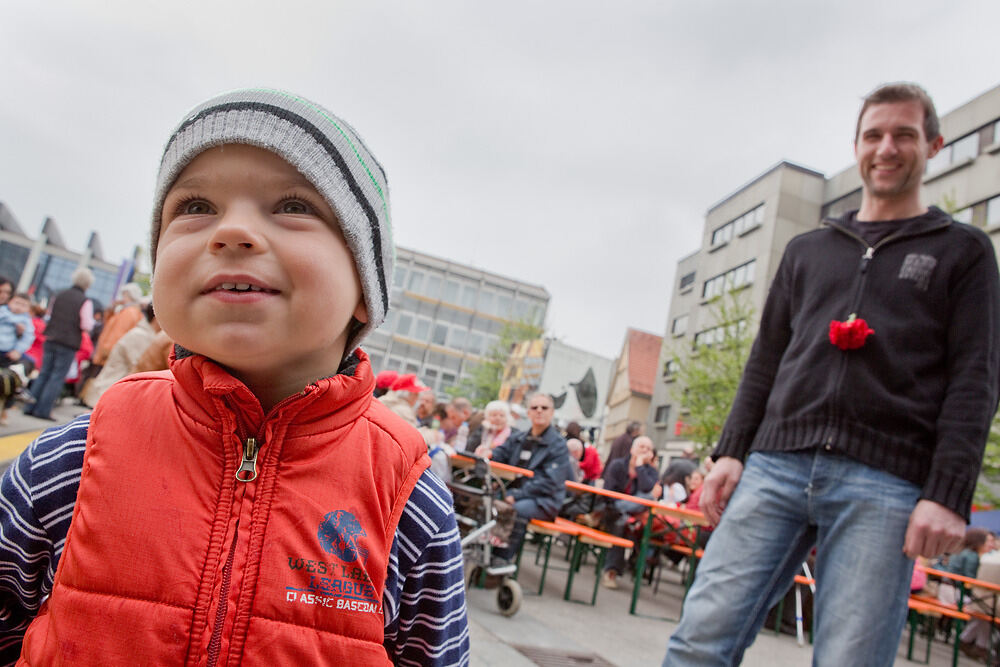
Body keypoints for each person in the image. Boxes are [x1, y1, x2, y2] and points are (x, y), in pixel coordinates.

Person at [0, 89, 469, 665]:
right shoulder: (78, 450)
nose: (232, 232)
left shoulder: (407, 494)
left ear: (366, 294)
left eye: (294, 206)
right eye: (196, 206)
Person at [665, 82, 1000, 666]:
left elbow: (977, 380)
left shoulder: (964, 252)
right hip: (774, 467)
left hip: (886, 481)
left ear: (935, 145)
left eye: (904, 134)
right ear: (857, 146)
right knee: (699, 640)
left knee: (850, 660)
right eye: (874, 135)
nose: (887, 147)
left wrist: (947, 494)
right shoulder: (807, 250)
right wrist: (731, 452)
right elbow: (765, 359)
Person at [482, 392, 571, 565]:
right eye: (534, 407)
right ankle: (483, 554)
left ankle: (501, 561)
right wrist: (489, 453)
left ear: (552, 412)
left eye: (544, 407)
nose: (539, 411)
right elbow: (501, 453)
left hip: (544, 501)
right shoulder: (519, 438)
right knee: (484, 502)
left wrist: (516, 494)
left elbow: (550, 482)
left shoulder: (559, 445)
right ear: (528, 413)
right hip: (513, 493)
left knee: (515, 510)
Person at [24, 267, 95, 420]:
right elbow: (87, 325)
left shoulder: (59, 295)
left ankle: (29, 406)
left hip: (50, 337)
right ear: (88, 284)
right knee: (57, 377)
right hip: (68, 343)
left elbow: (50, 314)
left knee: (44, 372)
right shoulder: (85, 301)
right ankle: (43, 410)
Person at [599, 436, 659, 589]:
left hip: (635, 518)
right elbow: (608, 494)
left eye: (648, 448)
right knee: (622, 522)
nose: (645, 450)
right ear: (632, 449)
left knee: (647, 498)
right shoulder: (617, 465)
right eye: (641, 447)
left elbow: (646, 488)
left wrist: (640, 467)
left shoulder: (651, 472)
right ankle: (612, 571)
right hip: (611, 511)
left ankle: (614, 570)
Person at [79, 302, 160, 408]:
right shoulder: (140, 335)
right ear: (156, 318)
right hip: (110, 391)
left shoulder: (143, 333)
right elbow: (140, 367)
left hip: (110, 390)